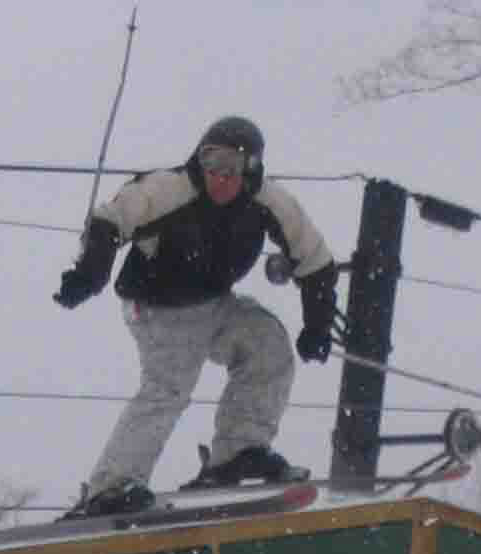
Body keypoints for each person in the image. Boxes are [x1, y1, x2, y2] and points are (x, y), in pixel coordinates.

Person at [52, 115, 339, 520]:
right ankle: (110, 488)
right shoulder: (170, 189)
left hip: (213, 303)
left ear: (252, 171)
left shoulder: (270, 203)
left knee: (268, 345)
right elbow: (109, 219)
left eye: (232, 167)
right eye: (211, 161)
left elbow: (314, 259)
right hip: (157, 307)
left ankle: (239, 453)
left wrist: (317, 325)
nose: (220, 176)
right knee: (169, 388)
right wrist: (88, 275)